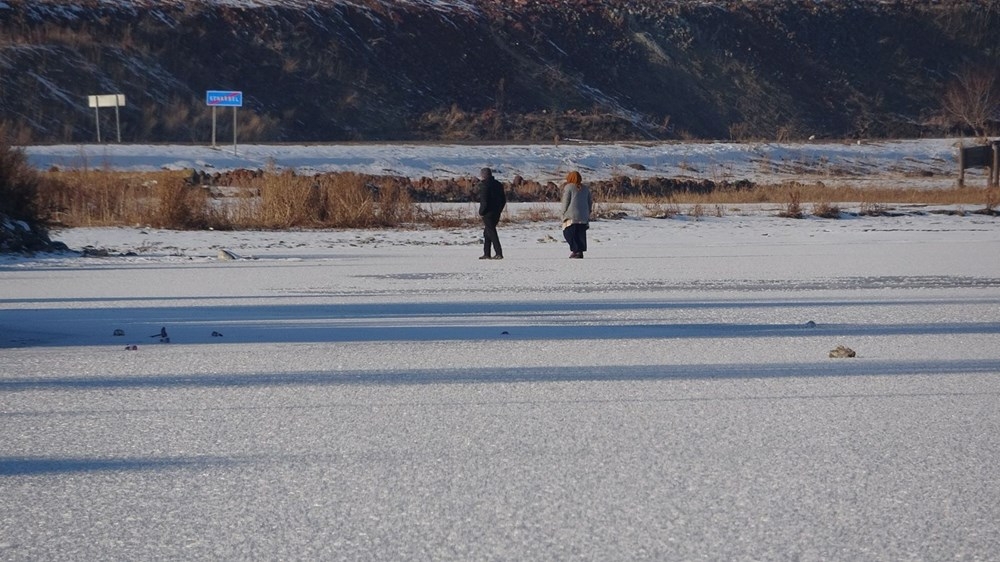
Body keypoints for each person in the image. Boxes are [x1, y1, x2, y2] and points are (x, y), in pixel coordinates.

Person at [560, 170, 592, 259]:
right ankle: (580, 251)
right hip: (583, 215)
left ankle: (576, 250)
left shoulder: (569, 187)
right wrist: (588, 212)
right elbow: (589, 202)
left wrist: (563, 214)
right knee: (580, 234)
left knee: (568, 233)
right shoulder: (585, 188)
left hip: (572, 215)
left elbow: (565, 201)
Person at [477, 167, 506, 259]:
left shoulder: (484, 185)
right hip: (497, 212)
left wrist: (481, 212)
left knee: (492, 232)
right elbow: (503, 199)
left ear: (484, 175)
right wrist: (499, 209)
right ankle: (487, 253)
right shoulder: (498, 184)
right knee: (487, 232)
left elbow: (484, 201)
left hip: (488, 213)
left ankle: (498, 253)